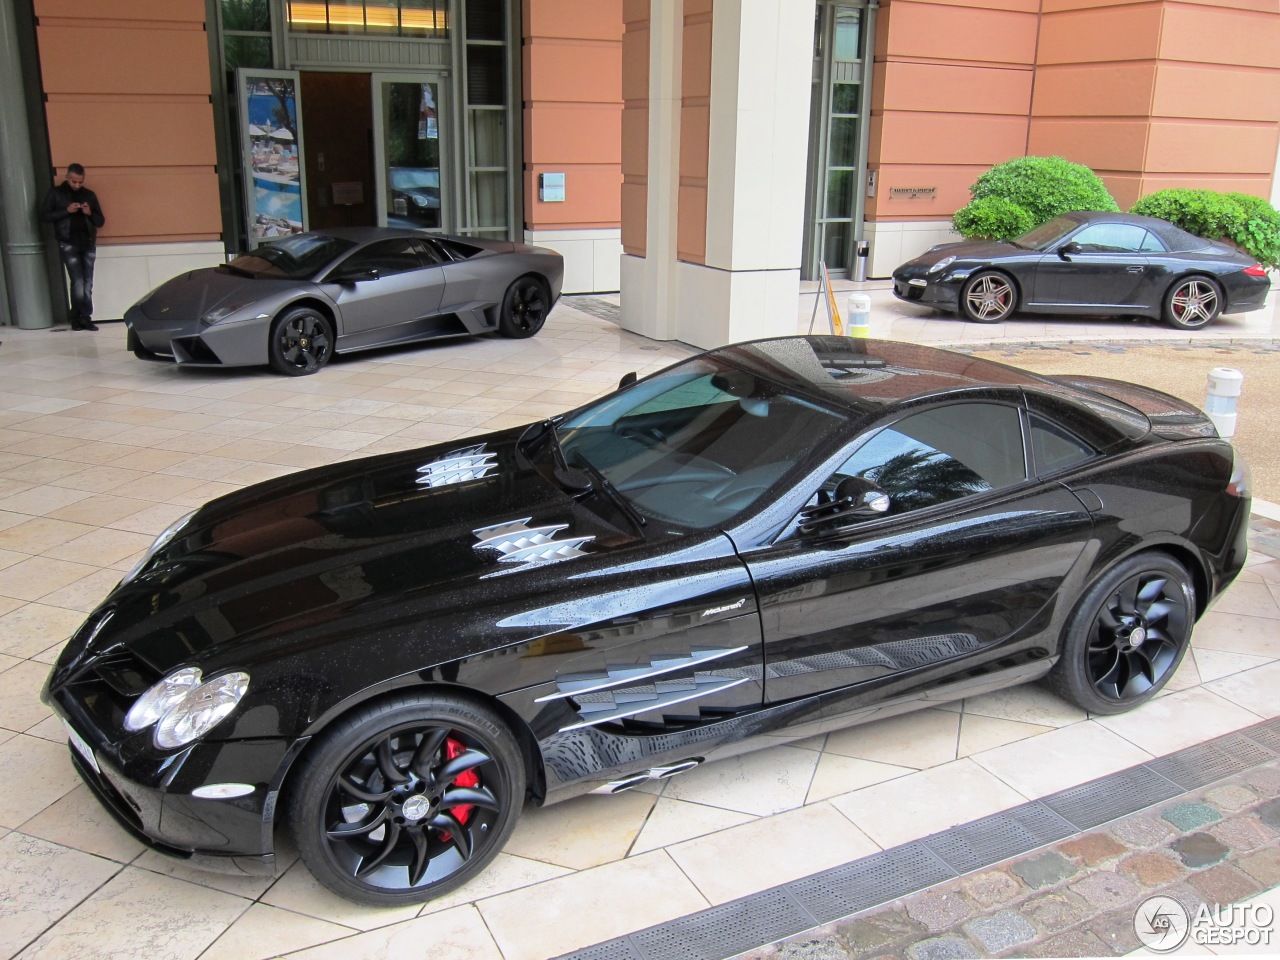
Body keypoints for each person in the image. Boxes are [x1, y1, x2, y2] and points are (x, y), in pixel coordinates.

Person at [40, 163, 105, 331]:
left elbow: (100, 220)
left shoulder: (89, 195)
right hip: (68, 242)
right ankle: (76, 318)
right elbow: (44, 216)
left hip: (88, 242)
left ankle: (86, 317)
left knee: (88, 282)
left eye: (80, 182)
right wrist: (66, 210)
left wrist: (89, 213)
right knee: (77, 281)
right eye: (74, 181)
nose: (77, 185)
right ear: (67, 177)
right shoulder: (56, 193)